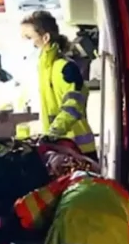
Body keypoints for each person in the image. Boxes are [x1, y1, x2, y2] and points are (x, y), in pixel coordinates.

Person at [20, 10, 97, 159]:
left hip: (76, 148)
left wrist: (53, 133)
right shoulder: (40, 70)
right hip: (56, 148)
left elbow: (73, 105)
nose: (24, 42)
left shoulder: (65, 68)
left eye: (28, 37)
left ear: (45, 37)